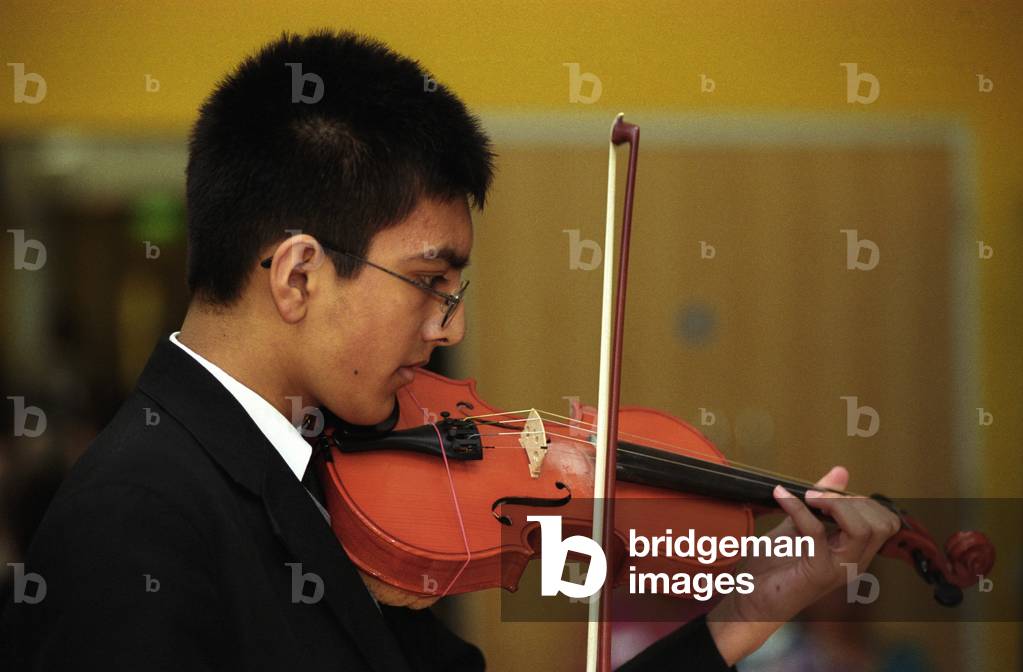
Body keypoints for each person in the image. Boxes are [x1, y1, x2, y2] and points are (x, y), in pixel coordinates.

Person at [0, 29, 901, 671]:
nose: (451, 326)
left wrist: (744, 613)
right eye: (431, 280)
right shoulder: (136, 520)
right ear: (299, 277)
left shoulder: (319, 476)